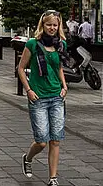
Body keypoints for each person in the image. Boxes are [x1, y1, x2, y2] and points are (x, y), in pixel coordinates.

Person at [17, 11, 68, 186]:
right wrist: (28, 90)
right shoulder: (33, 44)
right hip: (38, 97)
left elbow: (59, 67)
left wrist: (64, 85)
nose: (52, 28)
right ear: (43, 25)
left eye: (55, 25)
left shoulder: (61, 44)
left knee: (55, 139)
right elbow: (21, 68)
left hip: (56, 96)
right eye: (49, 25)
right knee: (41, 141)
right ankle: (28, 158)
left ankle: (53, 178)